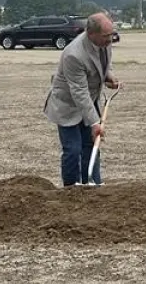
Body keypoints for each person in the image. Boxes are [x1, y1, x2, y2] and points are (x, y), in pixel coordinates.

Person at [44, 13, 119, 187]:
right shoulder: (74, 54)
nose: (110, 39)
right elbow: (79, 91)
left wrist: (109, 76)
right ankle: (71, 189)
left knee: (92, 146)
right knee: (73, 150)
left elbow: (104, 63)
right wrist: (94, 123)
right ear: (91, 33)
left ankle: (93, 184)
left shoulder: (105, 42)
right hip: (67, 105)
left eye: (111, 34)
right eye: (106, 36)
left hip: (89, 100)